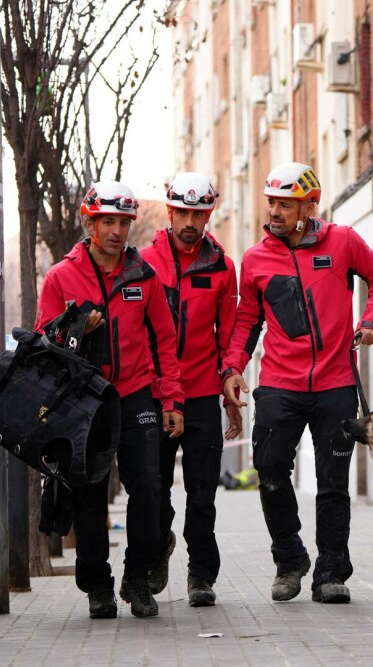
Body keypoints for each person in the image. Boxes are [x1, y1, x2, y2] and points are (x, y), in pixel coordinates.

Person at [222, 162, 373, 604]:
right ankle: (290, 559)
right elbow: (246, 320)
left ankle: (331, 571)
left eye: (285, 204)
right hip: (280, 384)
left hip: (336, 383)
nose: (275, 211)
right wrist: (233, 366)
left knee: (333, 479)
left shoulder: (342, 242)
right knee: (271, 468)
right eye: (272, 203)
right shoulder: (256, 259)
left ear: (308, 205)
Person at [35, 180, 185, 619]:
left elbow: (165, 342)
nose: (118, 231)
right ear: (90, 222)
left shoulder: (144, 275)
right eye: (108, 222)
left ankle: (137, 581)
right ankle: (97, 586)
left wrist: (171, 400)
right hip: (86, 399)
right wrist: (80, 327)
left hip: (137, 393)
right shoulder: (62, 276)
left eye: (123, 222)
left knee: (150, 487)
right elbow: (46, 341)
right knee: (88, 492)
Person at [140, 172, 241, 607]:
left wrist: (230, 377)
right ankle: (159, 545)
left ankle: (201, 575)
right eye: (182, 212)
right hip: (156, 392)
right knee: (154, 487)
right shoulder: (143, 262)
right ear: (169, 211)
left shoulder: (222, 267)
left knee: (203, 492)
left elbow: (230, 333)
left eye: (198, 214)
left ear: (208, 215)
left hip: (200, 392)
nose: (189, 222)